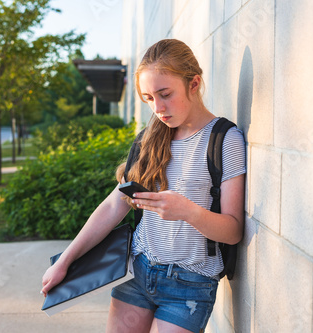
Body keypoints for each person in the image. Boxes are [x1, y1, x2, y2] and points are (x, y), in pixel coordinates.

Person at [41, 39, 246, 333]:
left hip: (189, 287)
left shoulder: (224, 139)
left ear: (194, 83)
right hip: (137, 273)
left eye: (165, 94)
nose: (158, 108)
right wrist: (65, 261)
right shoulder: (149, 139)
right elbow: (113, 206)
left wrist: (188, 211)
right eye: (149, 98)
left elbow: (233, 230)